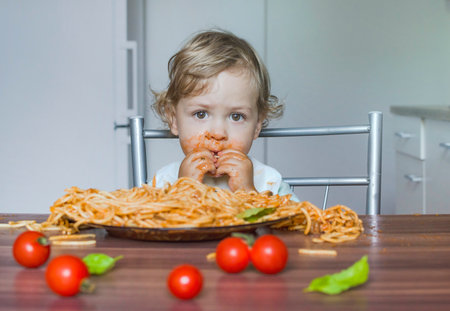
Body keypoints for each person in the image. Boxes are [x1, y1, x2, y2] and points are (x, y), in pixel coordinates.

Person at [151, 29, 298, 201]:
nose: (218, 133)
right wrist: (181, 193)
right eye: (201, 114)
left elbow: (298, 225)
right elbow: (143, 226)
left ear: (257, 124)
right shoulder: (161, 184)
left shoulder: (269, 183)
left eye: (236, 116)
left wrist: (250, 194)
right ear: (174, 119)